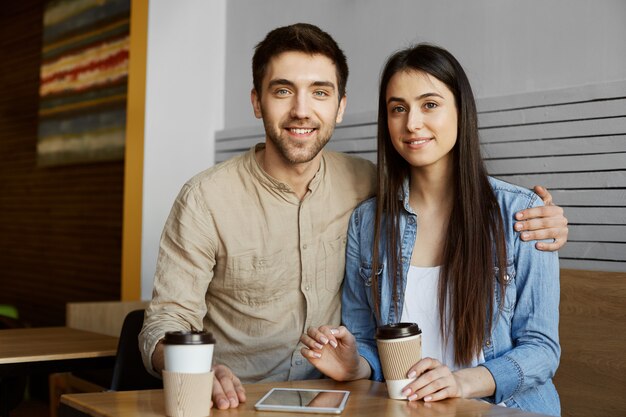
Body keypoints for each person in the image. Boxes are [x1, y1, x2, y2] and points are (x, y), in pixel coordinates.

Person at [139, 24, 567, 411]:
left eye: (320, 92)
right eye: (283, 90)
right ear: (257, 101)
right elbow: (166, 321)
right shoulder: (212, 199)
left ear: (340, 107)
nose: (302, 110)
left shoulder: (511, 214)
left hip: (444, 404)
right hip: (252, 402)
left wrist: (550, 220)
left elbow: (541, 346)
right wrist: (195, 370)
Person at [300, 43, 561, 415]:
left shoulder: (522, 215)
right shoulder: (368, 223)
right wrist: (353, 365)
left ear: (460, 110)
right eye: (398, 109)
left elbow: (541, 349)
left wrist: (461, 382)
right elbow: (367, 341)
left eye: (430, 104)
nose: (412, 123)